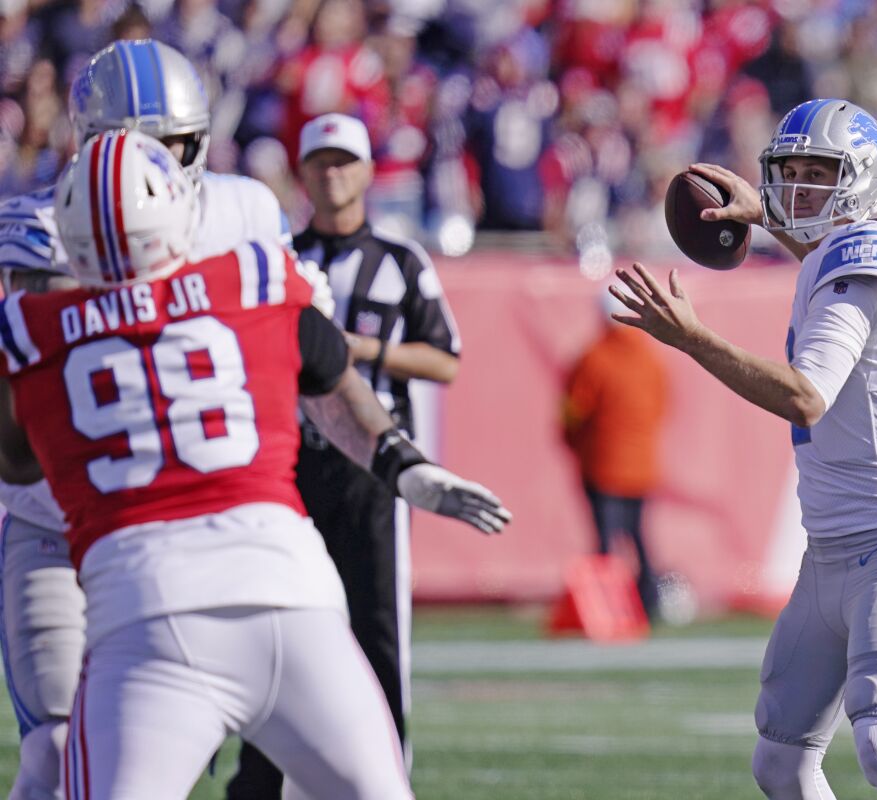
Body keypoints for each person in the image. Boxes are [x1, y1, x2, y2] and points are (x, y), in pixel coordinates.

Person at [0, 128, 509, 799]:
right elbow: (331, 376)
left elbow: (19, 466)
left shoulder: (32, 332)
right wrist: (401, 463)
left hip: (149, 618)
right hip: (292, 598)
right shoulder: (254, 276)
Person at [611, 99, 877, 800]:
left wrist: (694, 339)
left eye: (821, 174)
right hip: (829, 553)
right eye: (793, 173)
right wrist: (771, 221)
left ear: (864, 181)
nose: (800, 189)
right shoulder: (831, 258)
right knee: (780, 764)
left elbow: (806, 395)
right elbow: (824, 255)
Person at [0, 38, 331, 799]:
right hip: (59, 526)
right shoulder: (37, 228)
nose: (157, 162)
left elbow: (306, 340)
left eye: (176, 144)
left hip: (187, 533)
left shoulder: (242, 210)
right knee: (56, 755)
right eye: (136, 144)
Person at [229, 111, 462, 796]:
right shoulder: (278, 258)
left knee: (377, 630)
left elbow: (445, 359)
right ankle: (259, 781)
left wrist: (361, 353)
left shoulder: (400, 261)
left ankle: (386, 778)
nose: (333, 175)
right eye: (321, 164)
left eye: (344, 162)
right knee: (272, 626)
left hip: (370, 474)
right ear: (302, 174)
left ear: (366, 171)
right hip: (288, 466)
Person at [562, 290, 668, 619]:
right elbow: (662, 405)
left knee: (607, 543)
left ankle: (608, 609)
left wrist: (575, 444)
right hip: (642, 466)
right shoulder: (650, 359)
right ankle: (649, 602)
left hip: (603, 465)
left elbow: (573, 412)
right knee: (638, 537)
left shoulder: (593, 358)